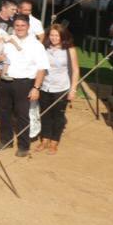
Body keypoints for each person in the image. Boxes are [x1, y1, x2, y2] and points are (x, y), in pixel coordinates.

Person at [0, 15, 49, 157]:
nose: (19, 28)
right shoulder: (8, 41)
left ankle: (24, 146)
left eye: (22, 25)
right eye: (17, 25)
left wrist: (36, 88)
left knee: (22, 115)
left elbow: (42, 68)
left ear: (28, 27)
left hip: (24, 83)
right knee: (4, 112)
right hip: (6, 81)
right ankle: (5, 140)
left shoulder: (36, 45)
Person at [37, 24, 79, 154]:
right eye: (52, 35)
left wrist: (73, 89)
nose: (54, 38)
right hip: (45, 86)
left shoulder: (69, 49)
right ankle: (45, 139)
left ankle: (54, 142)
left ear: (62, 36)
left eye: (57, 35)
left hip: (61, 87)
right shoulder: (44, 48)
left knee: (58, 116)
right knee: (45, 114)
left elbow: (76, 69)